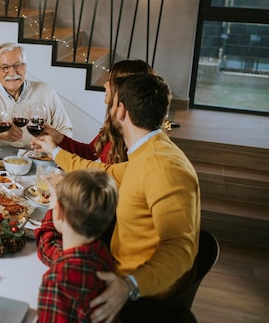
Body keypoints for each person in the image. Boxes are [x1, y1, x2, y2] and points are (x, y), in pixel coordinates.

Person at [33, 73, 200, 323]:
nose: (107, 106)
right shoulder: (149, 152)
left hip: (134, 296)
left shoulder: (164, 167)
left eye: (111, 102)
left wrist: (129, 285)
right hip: (117, 272)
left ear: (120, 110)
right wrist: (55, 151)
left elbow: (180, 248)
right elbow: (105, 171)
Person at [36, 169, 120, 323]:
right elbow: (48, 248)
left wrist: (53, 206)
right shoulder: (101, 253)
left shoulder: (57, 280)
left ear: (59, 210)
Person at [45, 59, 154, 163]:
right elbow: (90, 152)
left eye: (109, 81)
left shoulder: (136, 134)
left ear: (123, 88)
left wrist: (56, 152)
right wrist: (56, 136)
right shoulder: (114, 122)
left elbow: (113, 176)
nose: (105, 85)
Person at [0, 42, 73, 146]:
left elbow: (65, 129)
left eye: (17, 66)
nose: (12, 73)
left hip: (40, 157)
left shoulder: (46, 90)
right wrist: (2, 133)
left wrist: (53, 143)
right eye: (5, 67)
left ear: (25, 67)